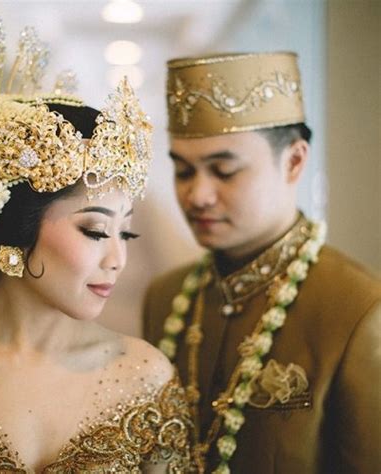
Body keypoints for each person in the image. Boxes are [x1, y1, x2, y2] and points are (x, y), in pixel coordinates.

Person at [0, 17, 192, 473]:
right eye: (96, 231)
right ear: (14, 231)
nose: (118, 259)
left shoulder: (144, 377)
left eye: (127, 233)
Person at [143, 52, 381, 473]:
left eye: (224, 171)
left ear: (294, 161)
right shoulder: (166, 298)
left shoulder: (359, 309)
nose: (197, 195)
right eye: (183, 171)